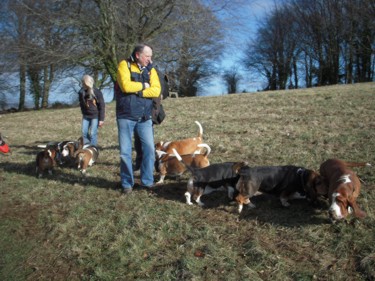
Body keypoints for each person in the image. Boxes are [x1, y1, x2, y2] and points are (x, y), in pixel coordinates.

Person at [115, 43, 161, 194]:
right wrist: (144, 85)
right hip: (126, 116)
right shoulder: (124, 65)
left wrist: (139, 91)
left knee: (149, 149)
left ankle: (147, 182)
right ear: (137, 55)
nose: (150, 59)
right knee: (125, 152)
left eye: (150, 56)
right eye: (147, 56)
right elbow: (125, 87)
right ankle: (127, 184)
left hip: (145, 117)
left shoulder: (151, 69)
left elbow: (156, 90)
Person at [78, 75, 105, 146]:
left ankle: (93, 148)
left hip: (95, 116)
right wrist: (83, 111)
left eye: (84, 83)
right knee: (84, 132)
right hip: (86, 115)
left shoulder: (97, 92)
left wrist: (101, 119)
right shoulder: (81, 92)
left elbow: (102, 106)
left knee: (93, 133)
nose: (83, 84)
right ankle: (87, 146)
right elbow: (81, 103)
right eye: (82, 83)